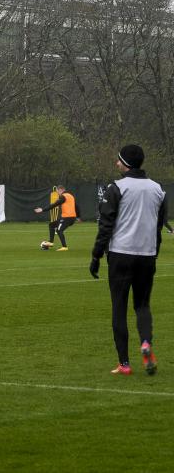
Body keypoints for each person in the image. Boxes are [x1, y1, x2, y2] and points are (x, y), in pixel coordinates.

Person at [89, 144, 166, 376]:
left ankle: (124, 364)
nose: (116, 163)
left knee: (119, 308)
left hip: (121, 254)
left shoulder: (117, 188)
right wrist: (154, 253)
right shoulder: (158, 189)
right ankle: (146, 343)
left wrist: (96, 255)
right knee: (142, 305)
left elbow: (106, 225)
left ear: (126, 163)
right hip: (147, 255)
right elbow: (158, 227)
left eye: (119, 160)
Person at [34, 185, 80, 251]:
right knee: (52, 225)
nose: (57, 193)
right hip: (71, 218)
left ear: (60, 190)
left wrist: (42, 210)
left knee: (59, 230)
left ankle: (64, 247)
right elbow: (76, 207)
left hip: (67, 217)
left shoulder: (63, 196)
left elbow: (54, 204)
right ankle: (51, 242)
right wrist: (78, 216)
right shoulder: (71, 196)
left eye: (57, 191)